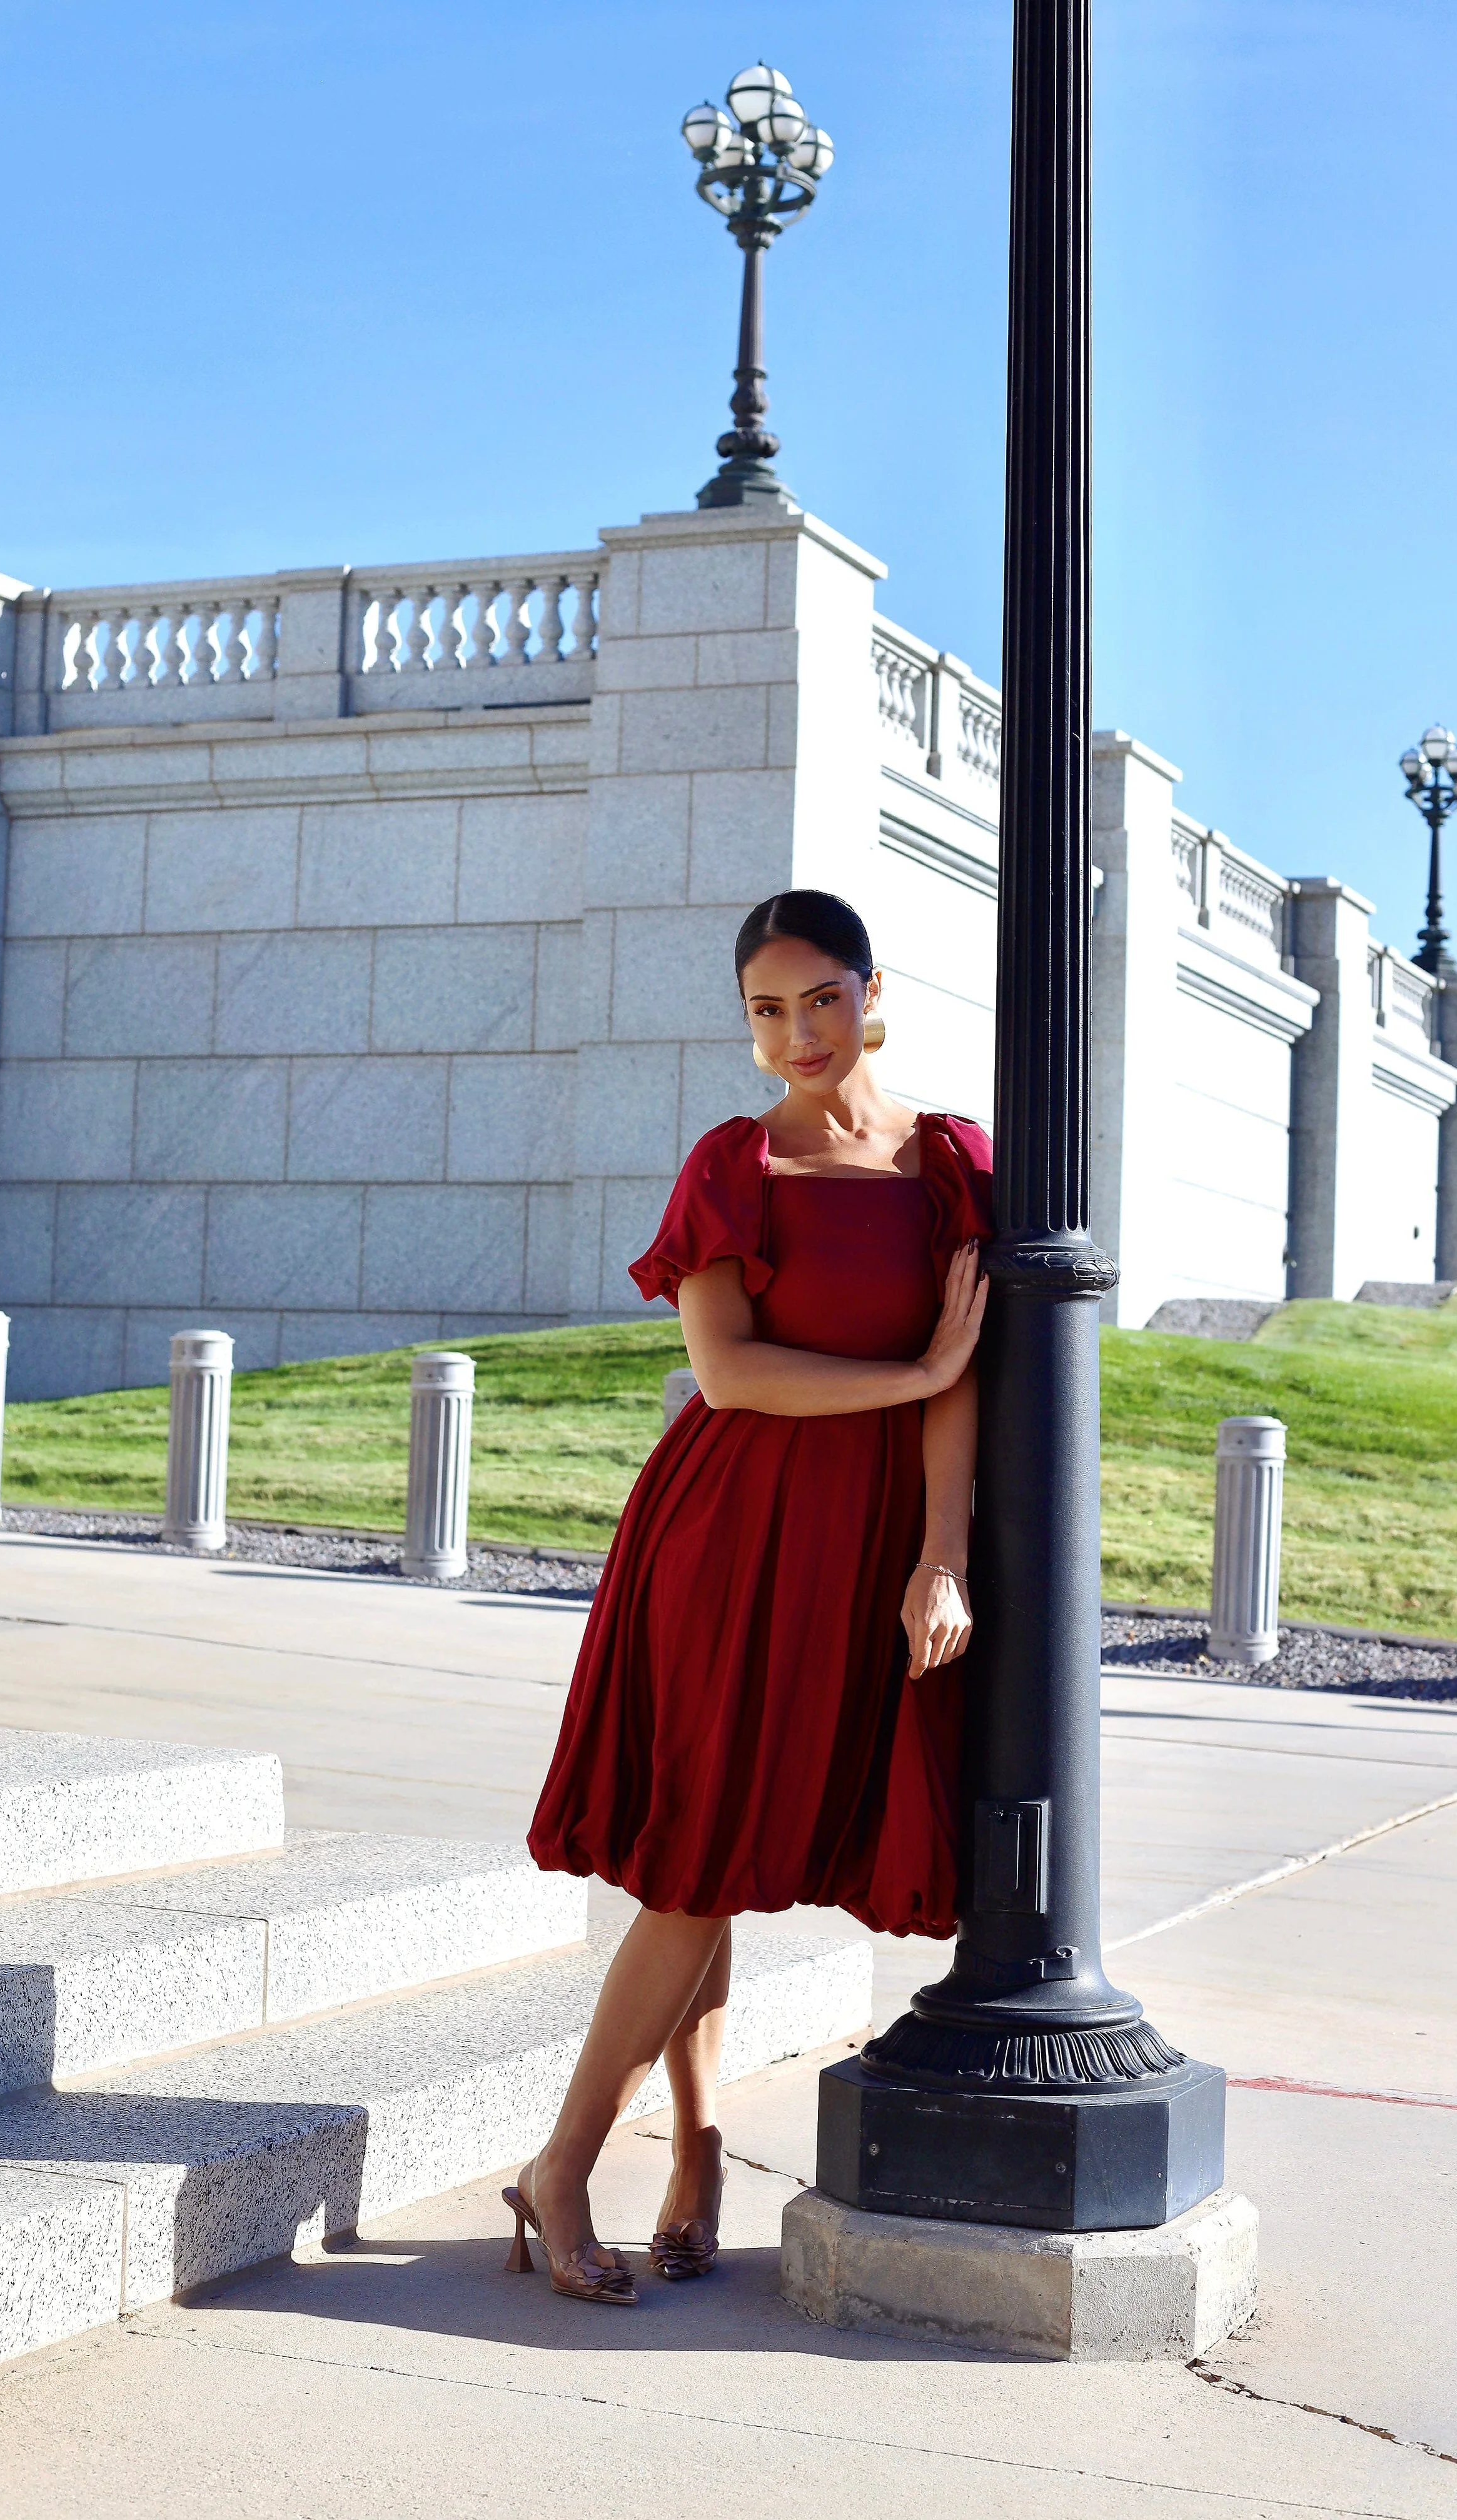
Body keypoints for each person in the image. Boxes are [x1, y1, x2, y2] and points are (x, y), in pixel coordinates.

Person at [503, 888, 992, 2304]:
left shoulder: (952, 1161)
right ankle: (567, 2162)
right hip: (726, 1530)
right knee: (698, 1862)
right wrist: (911, 1377)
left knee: (731, 1862)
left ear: (871, 988)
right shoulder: (733, 1163)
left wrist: (941, 1546)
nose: (798, 1035)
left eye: (821, 999)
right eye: (767, 1011)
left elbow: (971, 1384)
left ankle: (702, 2147)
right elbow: (731, 1374)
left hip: (866, 1538)